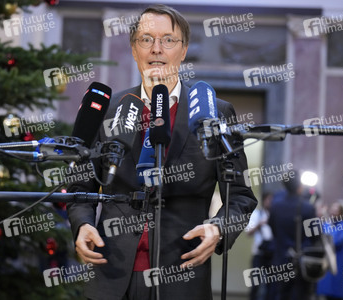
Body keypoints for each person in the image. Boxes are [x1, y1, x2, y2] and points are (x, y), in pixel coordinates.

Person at [66, 4, 257, 300]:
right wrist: (83, 225)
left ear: (183, 50)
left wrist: (219, 229)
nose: (157, 49)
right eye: (146, 39)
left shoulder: (214, 112)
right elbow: (81, 188)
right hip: (111, 275)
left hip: (181, 276)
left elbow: (241, 197)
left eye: (168, 40)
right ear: (133, 48)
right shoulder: (108, 111)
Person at [268, 172, 316, 300]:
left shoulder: (276, 206)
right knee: (302, 295)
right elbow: (315, 235)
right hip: (302, 262)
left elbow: (273, 230)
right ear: (300, 185)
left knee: (281, 294)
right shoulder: (308, 207)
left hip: (280, 259)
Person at [316, 200, 343, 300]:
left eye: (336, 210)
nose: (333, 211)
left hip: (337, 263)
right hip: (327, 262)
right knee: (325, 292)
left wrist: (327, 222)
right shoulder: (329, 223)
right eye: (332, 209)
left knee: (335, 292)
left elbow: (334, 240)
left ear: (341, 212)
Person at [247, 192, 274, 300]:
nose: (270, 202)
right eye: (268, 199)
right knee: (255, 284)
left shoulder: (274, 216)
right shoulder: (257, 214)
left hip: (272, 254)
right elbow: (248, 233)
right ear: (264, 200)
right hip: (258, 254)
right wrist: (260, 224)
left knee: (271, 285)